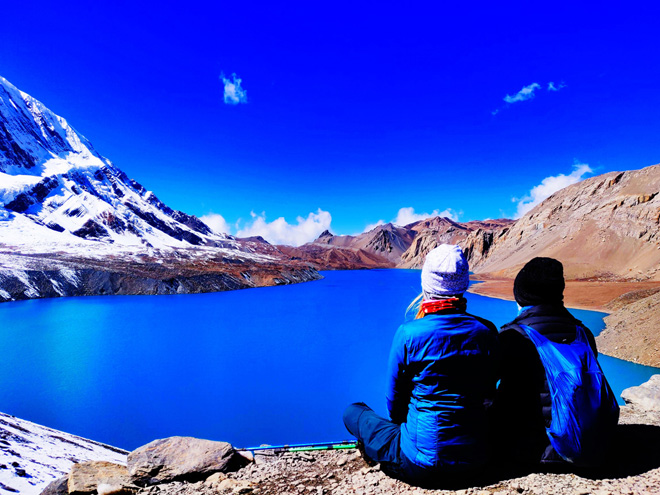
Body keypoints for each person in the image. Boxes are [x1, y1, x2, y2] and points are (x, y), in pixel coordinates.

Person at [342, 244, 499, 486]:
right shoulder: (487, 331)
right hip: (477, 460)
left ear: (427, 285)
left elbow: (394, 404)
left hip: (421, 465)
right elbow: (489, 393)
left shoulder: (408, 334)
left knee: (354, 412)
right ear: (464, 284)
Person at [493, 257, 600, 467]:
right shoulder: (583, 334)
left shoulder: (511, 336)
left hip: (526, 450)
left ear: (521, 296)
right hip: (581, 444)